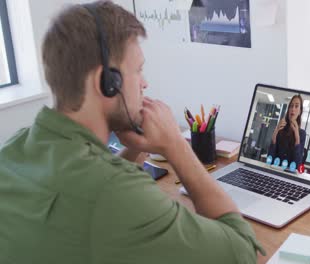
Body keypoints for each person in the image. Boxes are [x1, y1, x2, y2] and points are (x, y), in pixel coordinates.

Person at [0, 1, 263, 263]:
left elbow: (89, 186)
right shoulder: (115, 194)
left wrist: (138, 145)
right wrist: (175, 146)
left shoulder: (14, 150)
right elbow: (243, 251)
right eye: (138, 70)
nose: (145, 83)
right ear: (107, 83)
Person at [268, 95, 306, 166]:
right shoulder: (281, 129)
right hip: (275, 171)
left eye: (296, 106)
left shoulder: (302, 134)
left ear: (300, 111)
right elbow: (269, 159)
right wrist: (275, 132)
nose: (293, 109)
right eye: (291, 106)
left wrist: (297, 137)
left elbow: (297, 165)